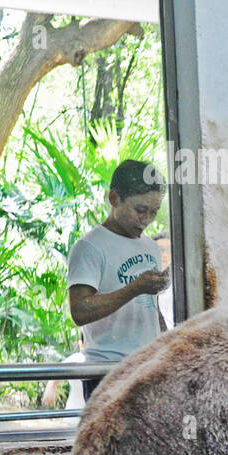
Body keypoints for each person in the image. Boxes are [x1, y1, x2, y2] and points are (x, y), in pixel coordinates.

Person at [66, 159, 169, 400]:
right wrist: (134, 289)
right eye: (140, 210)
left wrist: (166, 344)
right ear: (114, 199)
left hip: (147, 366)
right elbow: (79, 311)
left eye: (153, 212)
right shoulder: (89, 247)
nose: (147, 219)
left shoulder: (150, 246)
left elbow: (151, 308)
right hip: (106, 370)